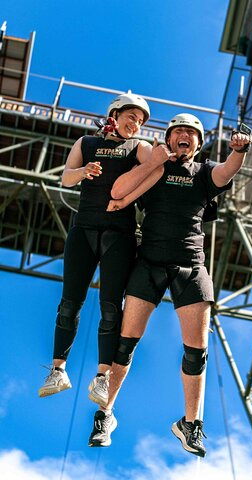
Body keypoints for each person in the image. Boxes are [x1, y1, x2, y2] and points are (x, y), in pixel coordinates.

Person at [85, 113, 251, 454]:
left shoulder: (204, 173)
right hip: (148, 263)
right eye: (178, 132)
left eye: (191, 133)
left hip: (190, 267)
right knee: (125, 343)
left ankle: (190, 424)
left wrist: (239, 151)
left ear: (199, 143)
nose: (184, 137)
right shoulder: (155, 168)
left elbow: (226, 171)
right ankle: (105, 414)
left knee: (196, 351)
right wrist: (144, 158)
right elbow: (122, 188)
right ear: (169, 138)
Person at [38, 94, 169, 408]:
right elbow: (66, 179)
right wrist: (84, 171)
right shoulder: (86, 143)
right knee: (69, 303)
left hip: (119, 234)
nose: (135, 123)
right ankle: (58, 371)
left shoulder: (140, 147)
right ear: (115, 114)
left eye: (140, 119)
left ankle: (102, 376)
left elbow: (157, 171)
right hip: (83, 229)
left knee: (111, 307)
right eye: (131, 116)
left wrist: (124, 201)